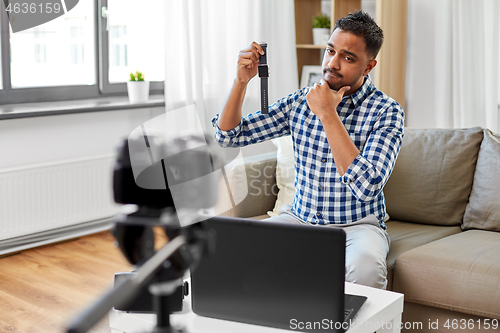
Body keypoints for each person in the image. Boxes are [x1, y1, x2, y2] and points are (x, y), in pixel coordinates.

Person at [211, 10, 404, 289]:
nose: (333, 63)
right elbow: (229, 136)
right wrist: (241, 81)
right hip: (299, 218)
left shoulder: (386, 111)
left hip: (357, 226)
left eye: (348, 58)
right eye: (330, 51)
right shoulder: (301, 101)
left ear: (368, 66)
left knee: (366, 270)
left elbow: (366, 186)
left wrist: (328, 114)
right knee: (229, 248)